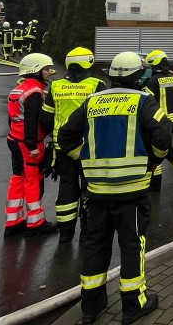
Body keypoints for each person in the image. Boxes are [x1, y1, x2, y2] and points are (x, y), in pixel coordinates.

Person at [57, 51, 173, 324]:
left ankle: (91, 307)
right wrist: (152, 160)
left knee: (96, 245)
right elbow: (162, 136)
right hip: (131, 191)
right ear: (138, 75)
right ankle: (134, 304)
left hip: (96, 192)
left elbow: (65, 137)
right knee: (132, 246)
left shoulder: (92, 101)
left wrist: (85, 159)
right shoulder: (143, 101)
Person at [41, 47, 106, 244]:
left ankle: (65, 233)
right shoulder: (97, 85)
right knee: (89, 188)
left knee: (67, 186)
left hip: (63, 149)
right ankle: (86, 231)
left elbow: (45, 118)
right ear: (89, 63)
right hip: (89, 148)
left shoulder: (56, 86)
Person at [3, 53, 58, 238]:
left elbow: (12, 119)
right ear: (36, 70)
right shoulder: (34, 93)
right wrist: (33, 145)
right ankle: (36, 223)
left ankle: (13, 222)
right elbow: (32, 121)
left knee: (17, 177)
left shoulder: (18, 89)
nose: (48, 73)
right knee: (33, 179)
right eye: (46, 69)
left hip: (14, 140)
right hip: (28, 145)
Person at [141, 49, 173, 192]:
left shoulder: (153, 81)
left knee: (156, 149)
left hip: (161, 121)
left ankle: (154, 185)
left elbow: (146, 102)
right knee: (164, 148)